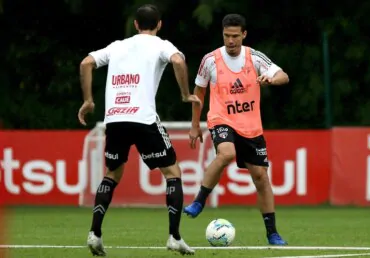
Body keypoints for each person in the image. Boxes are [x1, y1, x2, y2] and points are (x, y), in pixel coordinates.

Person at [77, 4, 200, 256]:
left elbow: (86, 63)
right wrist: (186, 95)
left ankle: (95, 233)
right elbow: (178, 60)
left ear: (135, 25)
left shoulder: (117, 46)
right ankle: (174, 237)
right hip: (143, 119)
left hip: (114, 119)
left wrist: (88, 100)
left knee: (112, 174)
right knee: (172, 172)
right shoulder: (163, 45)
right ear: (159, 24)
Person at [183, 13, 289, 246]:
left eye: (235, 36)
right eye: (226, 36)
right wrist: (194, 126)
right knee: (227, 154)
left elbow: (283, 76)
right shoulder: (210, 60)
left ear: (244, 35)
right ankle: (199, 201)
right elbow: (198, 93)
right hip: (221, 119)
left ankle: (272, 233)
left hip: (251, 127)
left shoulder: (255, 57)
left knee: (261, 177)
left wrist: (272, 80)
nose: (230, 41)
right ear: (222, 35)